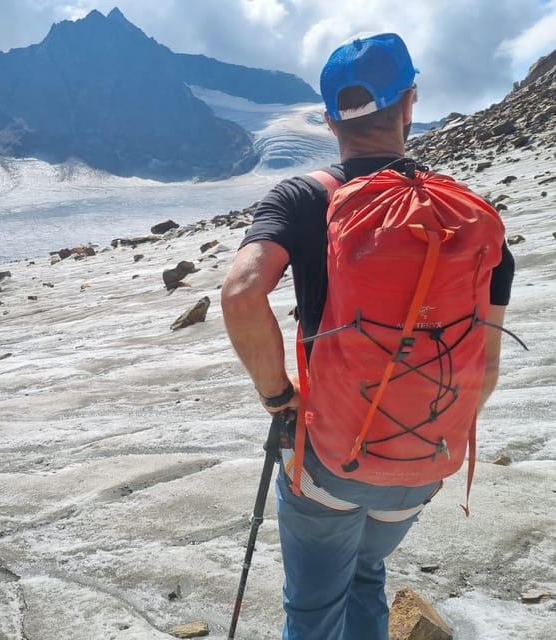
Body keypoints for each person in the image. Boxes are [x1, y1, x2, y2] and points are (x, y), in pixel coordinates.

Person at [220, 33, 514, 640]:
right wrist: (436, 434)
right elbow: (484, 370)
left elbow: (242, 293)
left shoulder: (305, 199)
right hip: (423, 462)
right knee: (367, 574)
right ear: (410, 103)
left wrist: (279, 399)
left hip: (328, 458)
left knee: (312, 610)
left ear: (330, 121)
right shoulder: (466, 216)